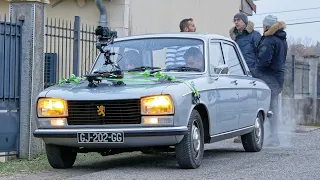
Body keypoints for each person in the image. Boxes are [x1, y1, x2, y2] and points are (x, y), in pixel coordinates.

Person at [253, 15, 288, 146]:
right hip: (278, 77)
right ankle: (273, 135)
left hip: (268, 78)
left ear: (267, 26)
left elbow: (263, 61)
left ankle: (270, 136)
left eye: (264, 25)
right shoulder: (282, 39)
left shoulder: (270, 39)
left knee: (265, 107)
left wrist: (253, 71)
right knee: (273, 106)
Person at [229, 12, 261, 143]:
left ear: (245, 22)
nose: (236, 22)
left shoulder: (255, 35)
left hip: (251, 73)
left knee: (252, 103)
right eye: (235, 20)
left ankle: (253, 131)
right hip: (237, 73)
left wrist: (256, 69)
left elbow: (260, 53)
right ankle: (241, 132)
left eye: (239, 20)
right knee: (240, 103)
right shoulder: (235, 37)